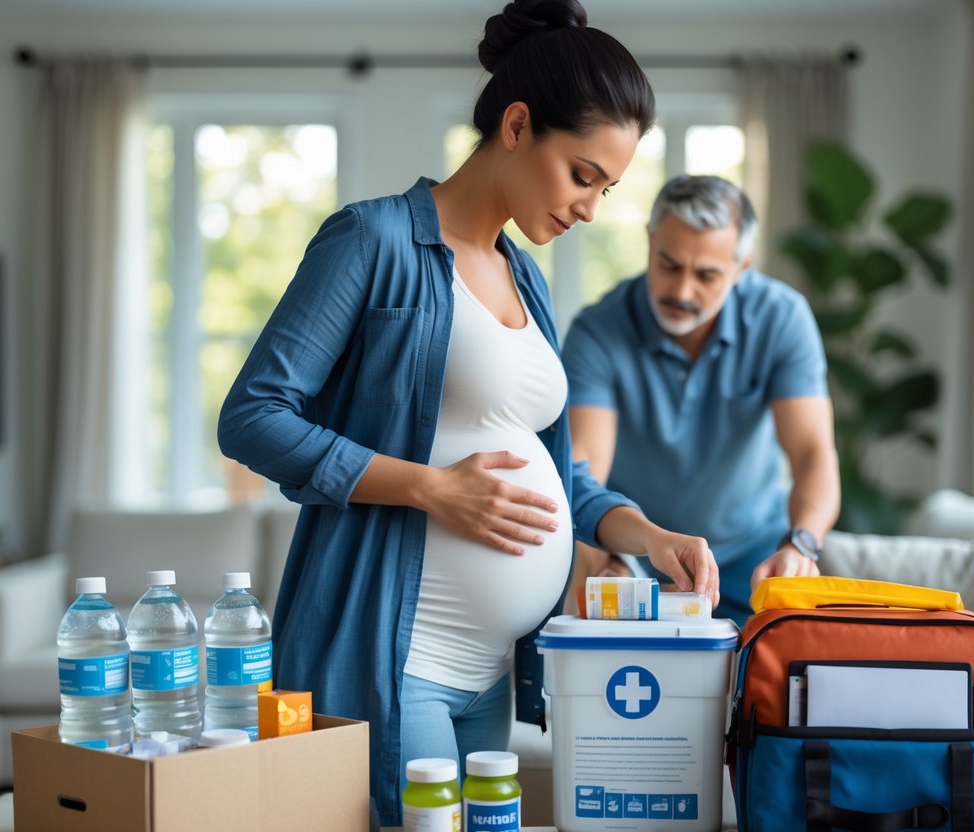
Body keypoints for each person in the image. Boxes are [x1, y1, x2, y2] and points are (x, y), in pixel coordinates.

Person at [217, 1, 719, 824]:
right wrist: (428, 489)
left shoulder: (528, 281)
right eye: (583, 175)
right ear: (517, 125)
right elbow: (251, 416)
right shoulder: (371, 241)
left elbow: (553, 474)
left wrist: (645, 534)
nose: (592, 207)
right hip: (393, 657)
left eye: (608, 187)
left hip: (492, 671)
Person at [562, 174, 840, 624]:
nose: (682, 291)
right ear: (650, 243)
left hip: (754, 559)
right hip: (636, 560)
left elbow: (812, 453)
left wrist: (801, 545)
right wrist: (604, 560)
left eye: (707, 274)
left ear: (741, 267)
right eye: (668, 264)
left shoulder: (782, 318)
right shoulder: (597, 331)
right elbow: (582, 471)